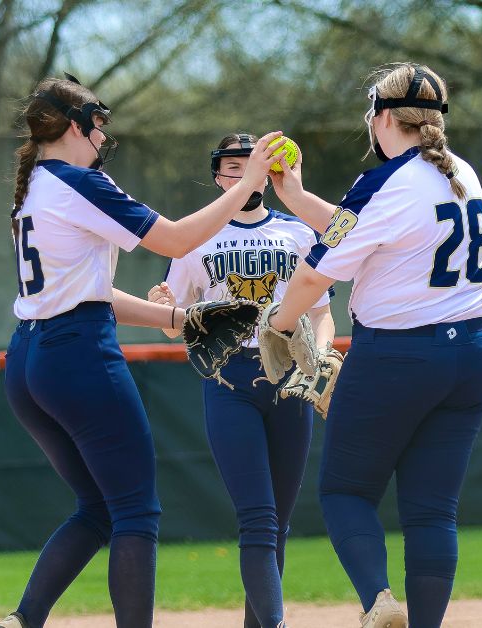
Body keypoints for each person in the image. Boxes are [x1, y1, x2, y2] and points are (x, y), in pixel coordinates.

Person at [0, 76, 283, 628]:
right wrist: (246, 182)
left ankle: (23, 620)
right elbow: (175, 241)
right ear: (75, 125)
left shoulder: (34, 187)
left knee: (100, 508)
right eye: (98, 125)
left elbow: (88, 293)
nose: (102, 137)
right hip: (77, 356)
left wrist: (177, 317)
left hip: (28, 361)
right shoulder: (78, 182)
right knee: (136, 511)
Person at [263, 63, 482, 628]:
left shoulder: (385, 182)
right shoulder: (461, 171)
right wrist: (295, 197)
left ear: (384, 118)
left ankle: (379, 603)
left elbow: (316, 274)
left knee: (346, 491)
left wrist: (278, 325)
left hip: (399, 356)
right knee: (432, 512)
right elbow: (372, 232)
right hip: (474, 353)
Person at [146, 133, 336, 628]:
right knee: (258, 518)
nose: (242, 173)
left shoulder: (297, 233)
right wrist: (164, 309)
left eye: (252, 163)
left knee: (279, 526)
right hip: (230, 378)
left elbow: (320, 312)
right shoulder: (194, 239)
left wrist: (318, 355)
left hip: (288, 376)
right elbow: (176, 323)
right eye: (232, 166)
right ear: (217, 175)